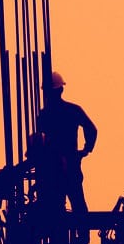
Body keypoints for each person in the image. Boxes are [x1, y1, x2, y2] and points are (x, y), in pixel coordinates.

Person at [36, 72, 98, 215]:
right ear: (61, 90)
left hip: (52, 167)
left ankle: (69, 236)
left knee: (57, 209)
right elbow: (92, 129)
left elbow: (40, 141)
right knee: (78, 205)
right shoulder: (72, 110)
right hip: (69, 164)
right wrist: (85, 150)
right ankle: (83, 237)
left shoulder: (44, 115)